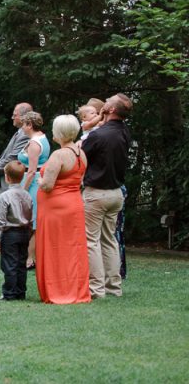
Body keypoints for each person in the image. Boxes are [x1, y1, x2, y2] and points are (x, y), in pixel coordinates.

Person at [35, 115, 91, 304]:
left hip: (56, 209)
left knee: (55, 248)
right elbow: (79, 180)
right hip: (74, 204)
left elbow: (48, 185)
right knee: (73, 249)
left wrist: (39, 180)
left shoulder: (58, 155)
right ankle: (75, 289)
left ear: (59, 133)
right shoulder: (80, 153)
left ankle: (58, 290)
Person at [82, 93, 133, 299]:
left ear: (111, 110)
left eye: (108, 102)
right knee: (109, 240)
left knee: (91, 241)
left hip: (96, 193)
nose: (105, 102)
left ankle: (96, 288)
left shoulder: (99, 135)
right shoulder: (125, 132)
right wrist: (101, 119)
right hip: (116, 194)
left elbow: (81, 157)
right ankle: (114, 286)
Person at [0, 160, 32, 301]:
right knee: (21, 263)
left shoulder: (4, 196)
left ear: (7, 177)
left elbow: (0, 219)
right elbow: (30, 214)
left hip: (10, 234)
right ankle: (20, 291)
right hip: (24, 233)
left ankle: (9, 293)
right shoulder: (27, 195)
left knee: (9, 264)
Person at [17, 111, 50, 268]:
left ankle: (30, 259)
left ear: (30, 125)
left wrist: (22, 190)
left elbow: (31, 171)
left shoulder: (35, 144)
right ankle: (29, 256)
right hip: (33, 181)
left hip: (32, 184)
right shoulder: (40, 138)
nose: (22, 127)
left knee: (33, 222)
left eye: (24, 124)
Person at [0, 103, 32, 194]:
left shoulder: (25, 135)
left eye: (14, 115)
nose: (12, 117)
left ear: (23, 117)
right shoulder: (20, 132)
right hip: (8, 185)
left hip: (12, 186)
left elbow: (12, 158)